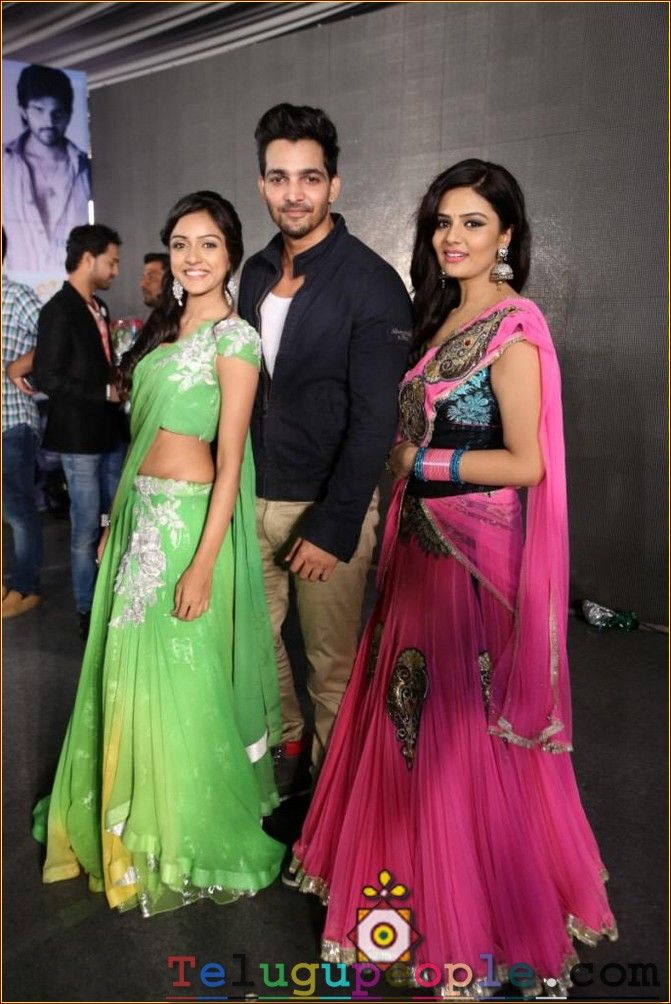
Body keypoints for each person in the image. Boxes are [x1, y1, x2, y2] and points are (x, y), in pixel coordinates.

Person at [288, 160, 617, 993]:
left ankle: (469, 917)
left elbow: (527, 462)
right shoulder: (435, 320)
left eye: (472, 223)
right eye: (442, 222)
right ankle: (409, 902)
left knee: (454, 740)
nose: (452, 238)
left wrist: (419, 461)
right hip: (414, 556)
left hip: (470, 566)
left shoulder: (514, 326)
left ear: (506, 235)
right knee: (406, 726)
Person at [32, 190, 284, 916]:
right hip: (139, 518)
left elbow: (231, 464)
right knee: (127, 675)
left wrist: (203, 564)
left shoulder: (235, 339)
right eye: (180, 244)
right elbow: (139, 440)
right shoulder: (162, 332)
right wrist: (116, 515)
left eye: (208, 244)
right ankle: (124, 823)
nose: (192, 257)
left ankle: (174, 830)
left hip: (186, 529)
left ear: (231, 253)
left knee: (182, 680)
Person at [238, 103, 412, 791]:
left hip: (324, 507)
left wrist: (335, 524)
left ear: (334, 185)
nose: (294, 194)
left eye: (309, 178)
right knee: (253, 649)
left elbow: (375, 421)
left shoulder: (371, 283)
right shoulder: (254, 272)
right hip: (251, 495)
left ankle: (334, 808)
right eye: (279, 178)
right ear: (261, 185)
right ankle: (289, 753)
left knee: (330, 668)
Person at [33, 224, 127, 640]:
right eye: (112, 262)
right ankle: (87, 608)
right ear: (88, 259)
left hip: (109, 433)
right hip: (79, 439)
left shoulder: (98, 306)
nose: (116, 271)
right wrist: (103, 391)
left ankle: (111, 600)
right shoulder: (58, 309)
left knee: (112, 520)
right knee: (86, 526)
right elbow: (46, 377)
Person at [3, 64, 91, 276]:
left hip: (68, 286)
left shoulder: (84, 169)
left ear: (69, 114)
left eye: (57, 112)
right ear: (23, 110)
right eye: (39, 110)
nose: (49, 121)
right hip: (14, 288)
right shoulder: (5, 163)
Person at [1, 227, 44, 618]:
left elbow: (53, 336)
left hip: (12, 420)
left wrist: (19, 365)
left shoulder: (17, 296)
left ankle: (26, 587)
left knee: (17, 509)